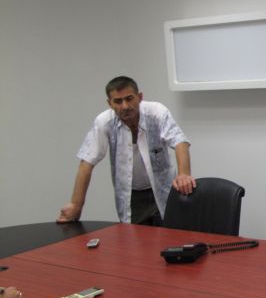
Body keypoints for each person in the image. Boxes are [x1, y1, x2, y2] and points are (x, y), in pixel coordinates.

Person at [58, 76, 196, 225]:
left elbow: (180, 142)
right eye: (118, 101)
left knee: (172, 233)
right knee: (135, 238)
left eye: (129, 99)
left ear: (140, 97)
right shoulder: (104, 122)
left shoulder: (156, 112)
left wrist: (184, 174)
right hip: (132, 196)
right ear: (110, 103)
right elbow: (86, 162)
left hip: (164, 189)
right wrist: (76, 205)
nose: (125, 106)